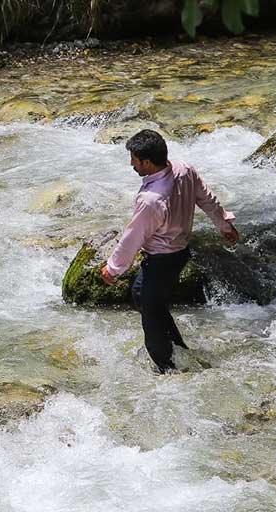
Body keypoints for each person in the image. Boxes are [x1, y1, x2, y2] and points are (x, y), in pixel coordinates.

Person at [101, 130, 239, 373]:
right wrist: (225, 225)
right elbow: (207, 199)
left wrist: (113, 269)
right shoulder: (184, 170)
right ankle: (178, 348)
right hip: (180, 253)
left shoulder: (151, 199)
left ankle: (167, 369)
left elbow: (134, 236)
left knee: (149, 311)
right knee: (143, 296)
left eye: (134, 159)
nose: (131, 164)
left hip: (161, 259)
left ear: (146, 162)